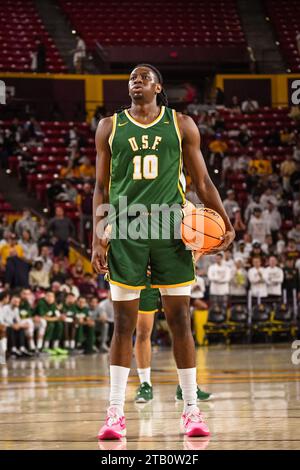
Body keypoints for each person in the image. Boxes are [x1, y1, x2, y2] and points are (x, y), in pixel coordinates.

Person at [91, 64, 235, 440]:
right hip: (125, 230)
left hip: (171, 231)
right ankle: (114, 414)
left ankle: (191, 409)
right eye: (130, 78)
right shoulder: (109, 127)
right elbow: (100, 188)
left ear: (157, 86)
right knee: (124, 326)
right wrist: (97, 235)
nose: (134, 81)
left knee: (179, 322)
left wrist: (225, 220)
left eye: (142, 77)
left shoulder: (181, 124)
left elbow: (202, 181)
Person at [134, 272, 212, 404]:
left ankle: (187, 386)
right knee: (143, 330)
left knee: (182, 330)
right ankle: (145, 384)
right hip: (145, 274)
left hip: (171, 268)